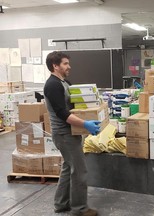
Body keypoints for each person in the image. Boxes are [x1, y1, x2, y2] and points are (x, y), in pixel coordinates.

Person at [44, 51, 100, 216]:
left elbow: (73, 104)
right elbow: (62, 113)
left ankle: (61, 204)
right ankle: (79, 208)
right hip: (64, 134)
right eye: (65, 64)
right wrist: (85, 124)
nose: (69, 66)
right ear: (55, 66)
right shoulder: (52, 85)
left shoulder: (64, 82)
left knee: (69, 168)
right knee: (80, 171)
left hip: (70, 133)